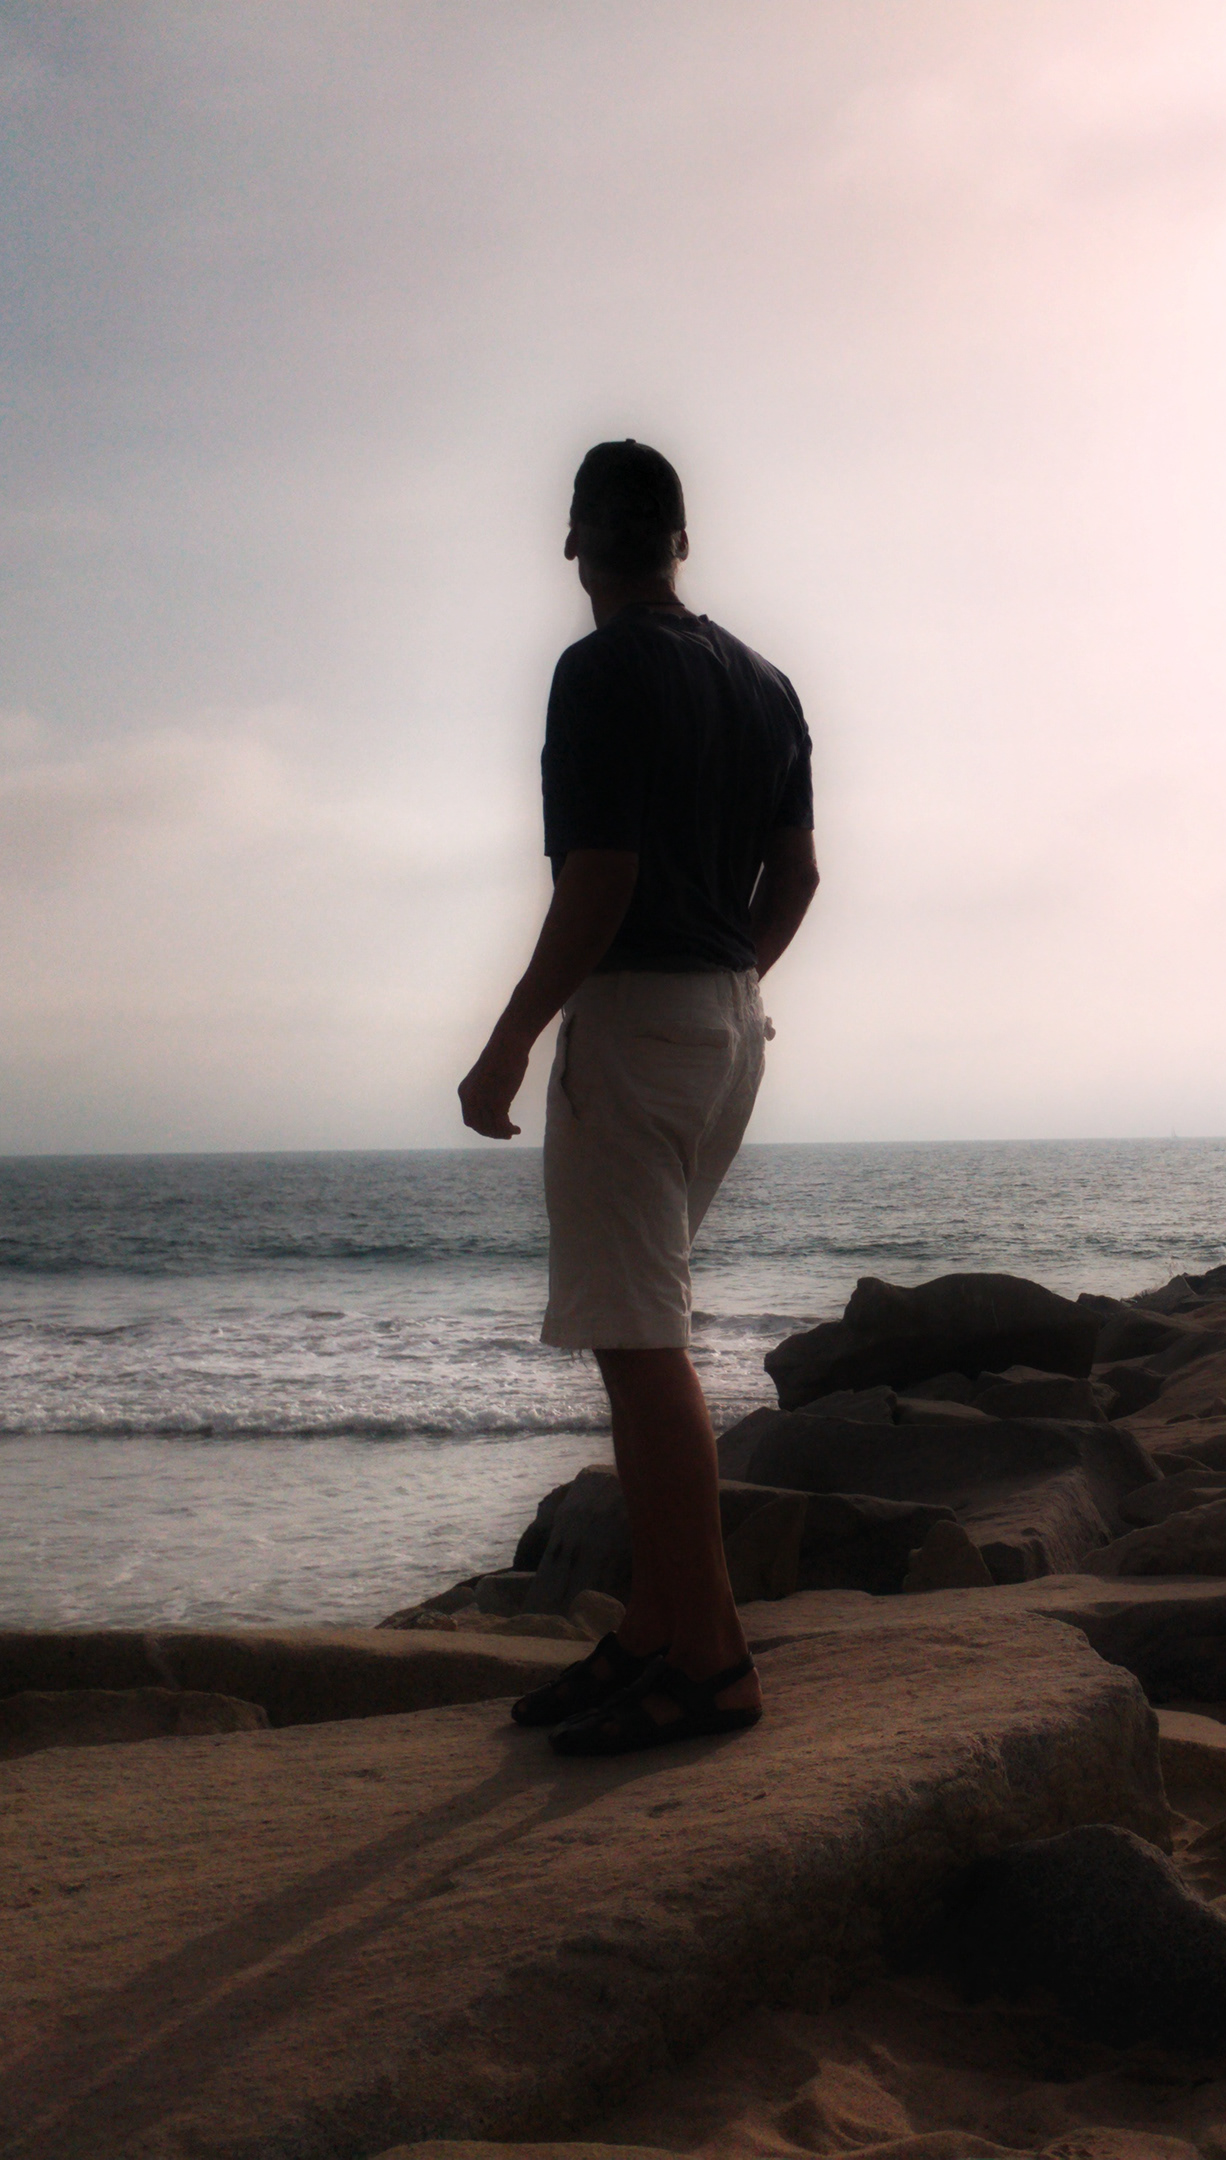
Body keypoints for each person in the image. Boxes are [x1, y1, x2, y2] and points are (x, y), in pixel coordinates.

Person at [456, 439, 819, 1757]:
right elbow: (798, 876)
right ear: (680, 540)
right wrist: (732, 982)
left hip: (638, 1019)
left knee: (643, 1344)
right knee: (641, 1331)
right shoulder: (766, 685)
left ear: (576, 542)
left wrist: (508, 1041)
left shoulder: (598, 669)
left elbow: (598, 878)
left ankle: (711, 1657)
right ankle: (660, 1626)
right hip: (730, 1022)